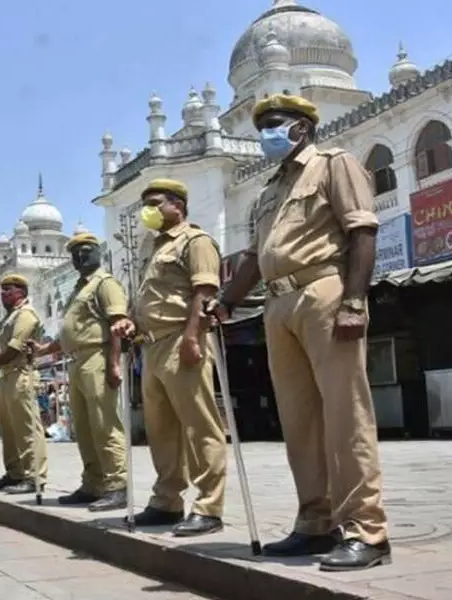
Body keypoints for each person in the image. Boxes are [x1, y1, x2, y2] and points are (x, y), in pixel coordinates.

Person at [211, 94, 389, 571]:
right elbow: (253, 255)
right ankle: (315, 522)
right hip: (277, 304)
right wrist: (227, 300)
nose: (266, 133)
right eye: (261, 126)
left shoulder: (335, 164)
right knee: (299, 422)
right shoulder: (269, 190)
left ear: (303, 127)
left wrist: (354, 301)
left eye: (275, 123)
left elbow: (362, 232)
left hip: (324, 292)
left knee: (345, 416)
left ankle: (366, 530)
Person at [118, 179, 227, 535]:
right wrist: (130, 323)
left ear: (177, 205)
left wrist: (193, 337)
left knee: (199, 426)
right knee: (162, 431)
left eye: (155, 202)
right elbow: (150, 298)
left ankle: (209, 506)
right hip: (151, 346)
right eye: (145, 204)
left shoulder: (195, 242)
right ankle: (167, 501)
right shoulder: (152, 248)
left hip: (182, 339)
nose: (148, 210)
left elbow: (205, 291)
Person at [30, 233, 133, 511]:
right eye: (75, 253)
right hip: (74, 361)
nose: (80, 257)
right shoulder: (78, 288)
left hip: (97, 357)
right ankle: (93, 483)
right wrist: (43, 349)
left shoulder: (105, 284)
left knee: (105, 424)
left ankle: (117, 485)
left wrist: (113, 363)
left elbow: (118, 325)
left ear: (98, 252)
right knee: (84, 428)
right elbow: (70, 333)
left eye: (86, 251)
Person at [0, 274, 48, 495]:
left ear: (21, 291)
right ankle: (15, 473)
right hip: (4, 376)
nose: (3, 294)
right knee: (9, 430)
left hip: (20, 374)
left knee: (26, 428)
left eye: (8, 290)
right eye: (2, 290)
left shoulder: (25, 315)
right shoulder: (8, 318)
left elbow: (13, 349)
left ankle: (34, 475)